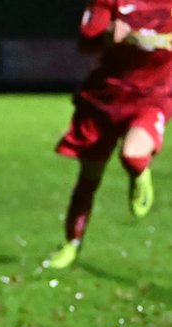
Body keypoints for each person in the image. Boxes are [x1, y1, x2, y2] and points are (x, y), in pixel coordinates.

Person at [48, 0, 172, 269]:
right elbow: (86, 42)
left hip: (153, 96)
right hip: (105, 99)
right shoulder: (109, 2)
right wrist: (108, 33)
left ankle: (139, 174)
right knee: (89, 178)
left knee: (133, 154)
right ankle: (71, 243)